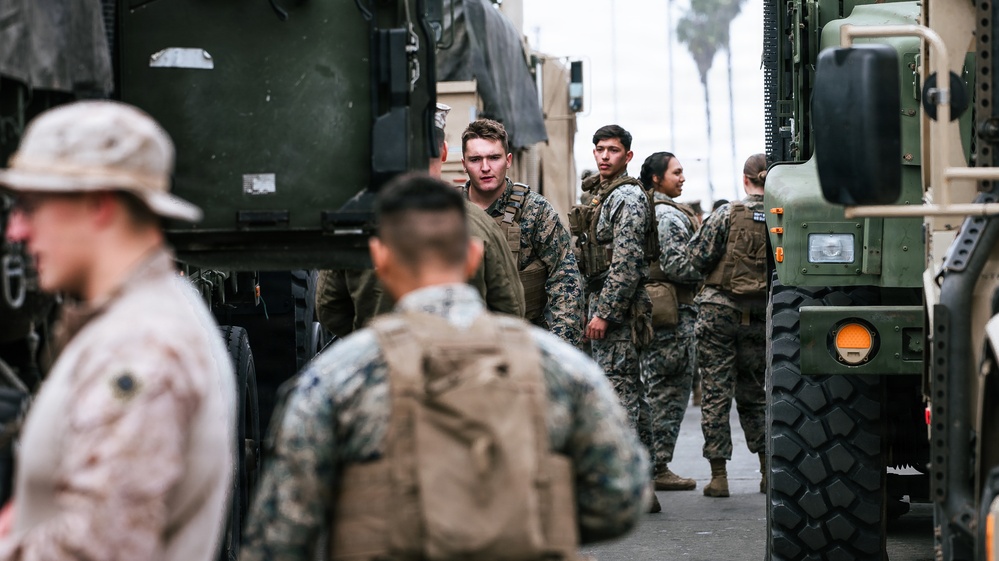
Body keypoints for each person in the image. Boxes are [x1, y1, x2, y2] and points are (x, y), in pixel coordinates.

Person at [241, 173, 649, 561]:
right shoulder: (561, 367)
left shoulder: (334, 379)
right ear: (473, 257)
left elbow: (279, 537)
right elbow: (622, 499)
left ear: (381, 259)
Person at [0, 101, 234, 560]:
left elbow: (97, 547)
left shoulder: (141, 345)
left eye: (30, 206)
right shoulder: (142, 321)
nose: (16, 230)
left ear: (98, 204)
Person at [315, 104, 525, 336]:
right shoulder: (478, 223)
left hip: (384, 354)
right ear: (444, 152)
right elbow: (511, 309)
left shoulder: (353, 222)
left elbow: (329, 308)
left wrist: (369, 341)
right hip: (470, 356)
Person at [568, 124, 658, 511]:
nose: (605, 156)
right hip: (600, 301)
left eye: (613, 150)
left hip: (618, 311)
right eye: (600, 149)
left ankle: (632, 487)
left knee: (621, 398)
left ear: (628, 156)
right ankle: (645, 484)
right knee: (627, 395)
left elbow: (627, 263)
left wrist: (604, 313)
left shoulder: (627, 197)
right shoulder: (601, 193)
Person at [682, 153, 770, 497]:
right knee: (754, 393)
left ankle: (719, 477)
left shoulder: (726, 214)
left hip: (718, 312)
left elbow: (696, 258)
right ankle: (767, 471)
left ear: (745, 179)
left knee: (716, 393)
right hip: (759, 313)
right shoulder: (782, 215)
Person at [461, 118, 584, 346]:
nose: (485, 167)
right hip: (464, 344)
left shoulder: (535, 211)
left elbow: (565, 280)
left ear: (508, 160)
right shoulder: (448, 211)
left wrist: (560, 348)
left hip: (525, 341)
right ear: (464, 164)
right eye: (475, 159)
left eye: (494, 158)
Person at [637, 152, 700, 492]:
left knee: (655, 390)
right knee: (669, 392)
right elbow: (678, 265)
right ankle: (657, 466)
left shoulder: (648, 209)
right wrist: (708, 266)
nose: (682, 178)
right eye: (676, 172)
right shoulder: (669, 216)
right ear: (657, 178)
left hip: (661, 312)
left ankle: (650, 464)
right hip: (673, 316)